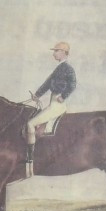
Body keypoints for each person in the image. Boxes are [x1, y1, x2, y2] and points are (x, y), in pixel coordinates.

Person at [24, 40, 74, 175]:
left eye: (56, 51)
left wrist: (63, 96)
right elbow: (47, 83)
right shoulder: (59, 68)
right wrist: (37, 95)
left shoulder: (67, 68)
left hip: (57, 103)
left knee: (30, 124)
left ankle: (30, 159)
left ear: (63, 53)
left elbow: (73, 85)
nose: (54, 54)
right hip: (53, 100)